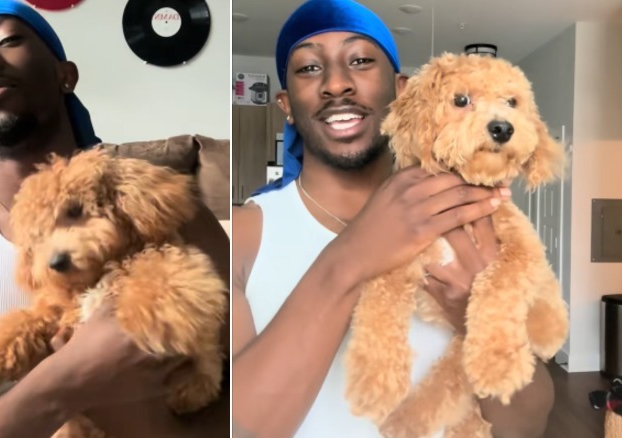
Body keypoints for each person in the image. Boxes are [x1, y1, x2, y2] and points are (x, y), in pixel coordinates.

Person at [0, 1, 229, 437]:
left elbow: (255, 384)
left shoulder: (160, 204)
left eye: (9, 40)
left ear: (67, 75)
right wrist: (66, 380)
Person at [231, 0, 555, 437]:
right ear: (287, 105)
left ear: (402, 92)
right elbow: (243, 426)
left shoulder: (473, 221)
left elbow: (527, 426)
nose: (337, 84)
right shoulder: (243, 235)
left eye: (361, 61)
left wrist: (474, 317)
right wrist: (351, 256)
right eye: (309, 68)